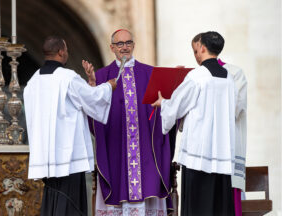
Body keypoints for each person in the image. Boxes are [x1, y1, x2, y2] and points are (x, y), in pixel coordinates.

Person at [84, 29, 176, 215]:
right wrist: (92, 86)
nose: (124, 47)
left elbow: (168, 107)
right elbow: (91, 111)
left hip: (145, 150)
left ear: (134, 45)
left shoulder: (150, 73)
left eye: (128, 43)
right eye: (120, 44)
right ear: (111, 47)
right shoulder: (102, 76)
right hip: (116, 149)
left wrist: (174, 84)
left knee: (148, 183)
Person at [23, 35, 117, 216]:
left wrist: (91, 84)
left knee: (53, 200)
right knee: (71, 203)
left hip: (46, 155)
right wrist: (108, 86)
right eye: (66, 50)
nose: (67, 53)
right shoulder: (67, 78)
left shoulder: (33, 81)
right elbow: (92, 99)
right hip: (68, 155)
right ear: (60, 52)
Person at [152, 31, 237, 216]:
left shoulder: (196, 77)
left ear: (202, 48)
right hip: (222, 152)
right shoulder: (229, 78)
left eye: (195, 50)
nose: (195, 54)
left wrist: (163, 103)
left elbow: (177, 106)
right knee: (219, 206)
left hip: (199, 152)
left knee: (198, 206)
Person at [218, 58, 248, 216]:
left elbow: (236, 108)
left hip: (229, 147)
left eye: (197, 50)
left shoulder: (234, 73)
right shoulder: (196, 76)